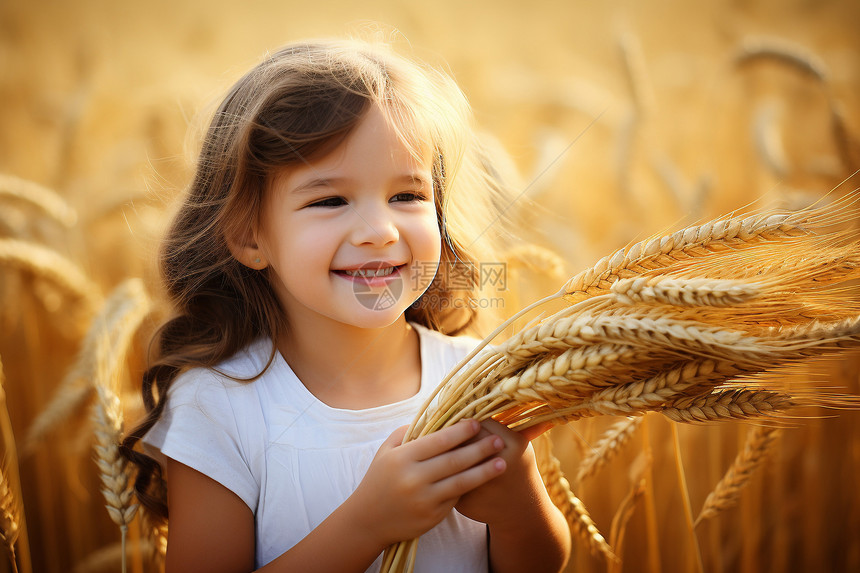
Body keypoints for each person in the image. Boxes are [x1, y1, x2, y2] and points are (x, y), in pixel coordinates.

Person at [121, 37, 570, 573]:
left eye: (407, 196)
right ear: (249, 236)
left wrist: (520, 504)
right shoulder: (219, 407)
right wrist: (367, 525)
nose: (380, 232)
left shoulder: (477, 377)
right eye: (330, 200)